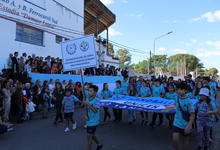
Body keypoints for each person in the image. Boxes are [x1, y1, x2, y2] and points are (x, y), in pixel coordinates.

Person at [172, 82, 195, 150]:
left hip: (185, 124)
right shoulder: (176, 97)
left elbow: (192, 114)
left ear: (185, 90)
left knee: (185, 140)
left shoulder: (189, 101)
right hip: (176, 122)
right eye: (178, 89)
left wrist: (189, 125)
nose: (179, 91)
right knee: (175, 139)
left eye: (181, 89)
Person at [82, 85, 102, 150]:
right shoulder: (87, 99)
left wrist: (88, 104)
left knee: (89, 138)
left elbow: (95, 110)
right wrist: (85, 115)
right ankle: (99, 144)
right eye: (88, 91)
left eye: (91, 91)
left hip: (94, 121)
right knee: (92, 135)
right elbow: (85, 108)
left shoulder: (98, 100)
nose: (88, 92)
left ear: (95, 92)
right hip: (88, 121)